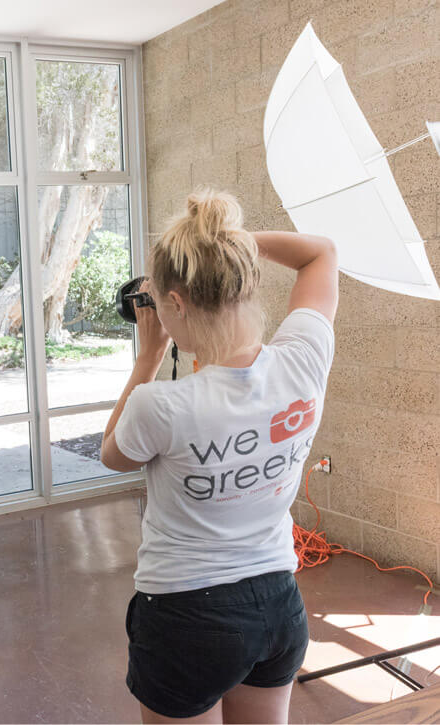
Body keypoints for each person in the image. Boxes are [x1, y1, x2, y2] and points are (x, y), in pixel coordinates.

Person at [101, 188, 338, 724]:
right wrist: (223, 251)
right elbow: (321, 251)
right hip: (278, 604)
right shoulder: (303, 360)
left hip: (186, 615)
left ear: (176, 303)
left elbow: (113, 456)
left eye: (161, 303)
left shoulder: (159, 404)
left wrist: (147, 358)